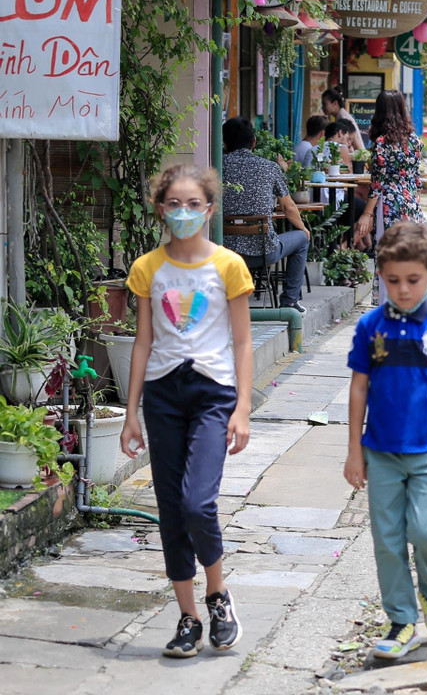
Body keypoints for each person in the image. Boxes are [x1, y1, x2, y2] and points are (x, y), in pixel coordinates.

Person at [120, 164, 254, 658]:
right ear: (160, 208)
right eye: (173, 204)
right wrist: (131, 412)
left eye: (193, 204)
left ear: (209, 209)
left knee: (199, 502)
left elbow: (243, 342)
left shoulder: (228, 266)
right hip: (162, 395)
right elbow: (142, 342)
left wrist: (242, 408)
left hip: (212, 393)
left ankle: (217, 596)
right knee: (171, 511)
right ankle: (188, 618)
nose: (183, 212)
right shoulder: (147, 268)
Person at [343, 222, 427, 660]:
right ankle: (401, 620)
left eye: (413, 280)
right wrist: (353, 451)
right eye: (393, 281)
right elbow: (359, 388)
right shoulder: (370, 328)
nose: (402, 290)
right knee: (387, 539)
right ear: (381, 276)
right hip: (381, 453)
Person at [221, 116, 310, 312]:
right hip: (263, 252)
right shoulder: (270, 167)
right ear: (254, 142)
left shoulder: (215, 167)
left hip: (224, 252)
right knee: (302, 239)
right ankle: (289, 302)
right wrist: (304, 228)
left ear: (224, 143)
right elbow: (289, 208)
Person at [354, 91, 425, 265]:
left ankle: (389, 292)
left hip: (389, 206)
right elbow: (417, 180)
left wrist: (367, 214)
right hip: (412, 204)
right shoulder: (415, 140)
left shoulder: (381, 143)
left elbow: (377, 184)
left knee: (390, 257)